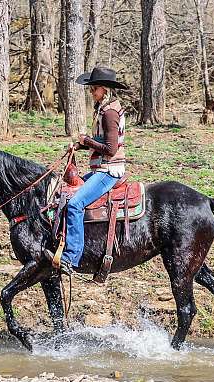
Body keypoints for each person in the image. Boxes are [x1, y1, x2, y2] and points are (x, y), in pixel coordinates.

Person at [59, 66, 128, 275]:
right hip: (102, 167)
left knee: (75, 204)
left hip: (109, 170)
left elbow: (110, 148)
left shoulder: (109, 113)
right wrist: (80, 146)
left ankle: (71, 257)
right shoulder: (104, 109)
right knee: (67, 191)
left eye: (94, 88)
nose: (91, 92)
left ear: (104, 90)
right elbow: (102, 141)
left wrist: (86, 140)